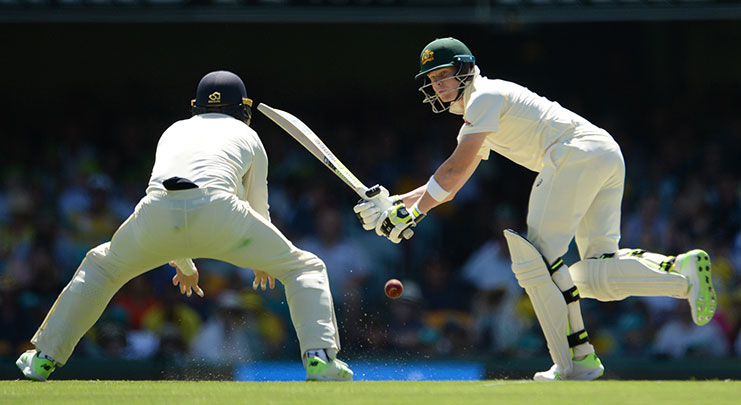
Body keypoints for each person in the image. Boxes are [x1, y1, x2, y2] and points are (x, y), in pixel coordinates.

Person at [354, 37, 717, 381]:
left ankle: (576, 360)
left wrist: (413, 213)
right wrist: (395, 204)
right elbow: (451, 187)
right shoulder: (482, 109)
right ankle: (681, 273)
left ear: (465, 69)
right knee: (594, 271)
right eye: (432, 79)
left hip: (573, 153)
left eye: (443, 75)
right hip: (603, 152)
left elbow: (451, 170)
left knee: (537, 262)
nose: (437, 85)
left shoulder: (484, 96)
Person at [16, 70, 352, 382]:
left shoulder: (173, 130)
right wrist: (262, 259)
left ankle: (43, 357)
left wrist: (183, 259)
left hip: (157, 213)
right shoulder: (247, 134)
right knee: (304, 267)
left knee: (101, 267)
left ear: (196, 106)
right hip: (222, 214)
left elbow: (176, 202)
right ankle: (319, 357)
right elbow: (255, 205)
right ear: (244, 108)